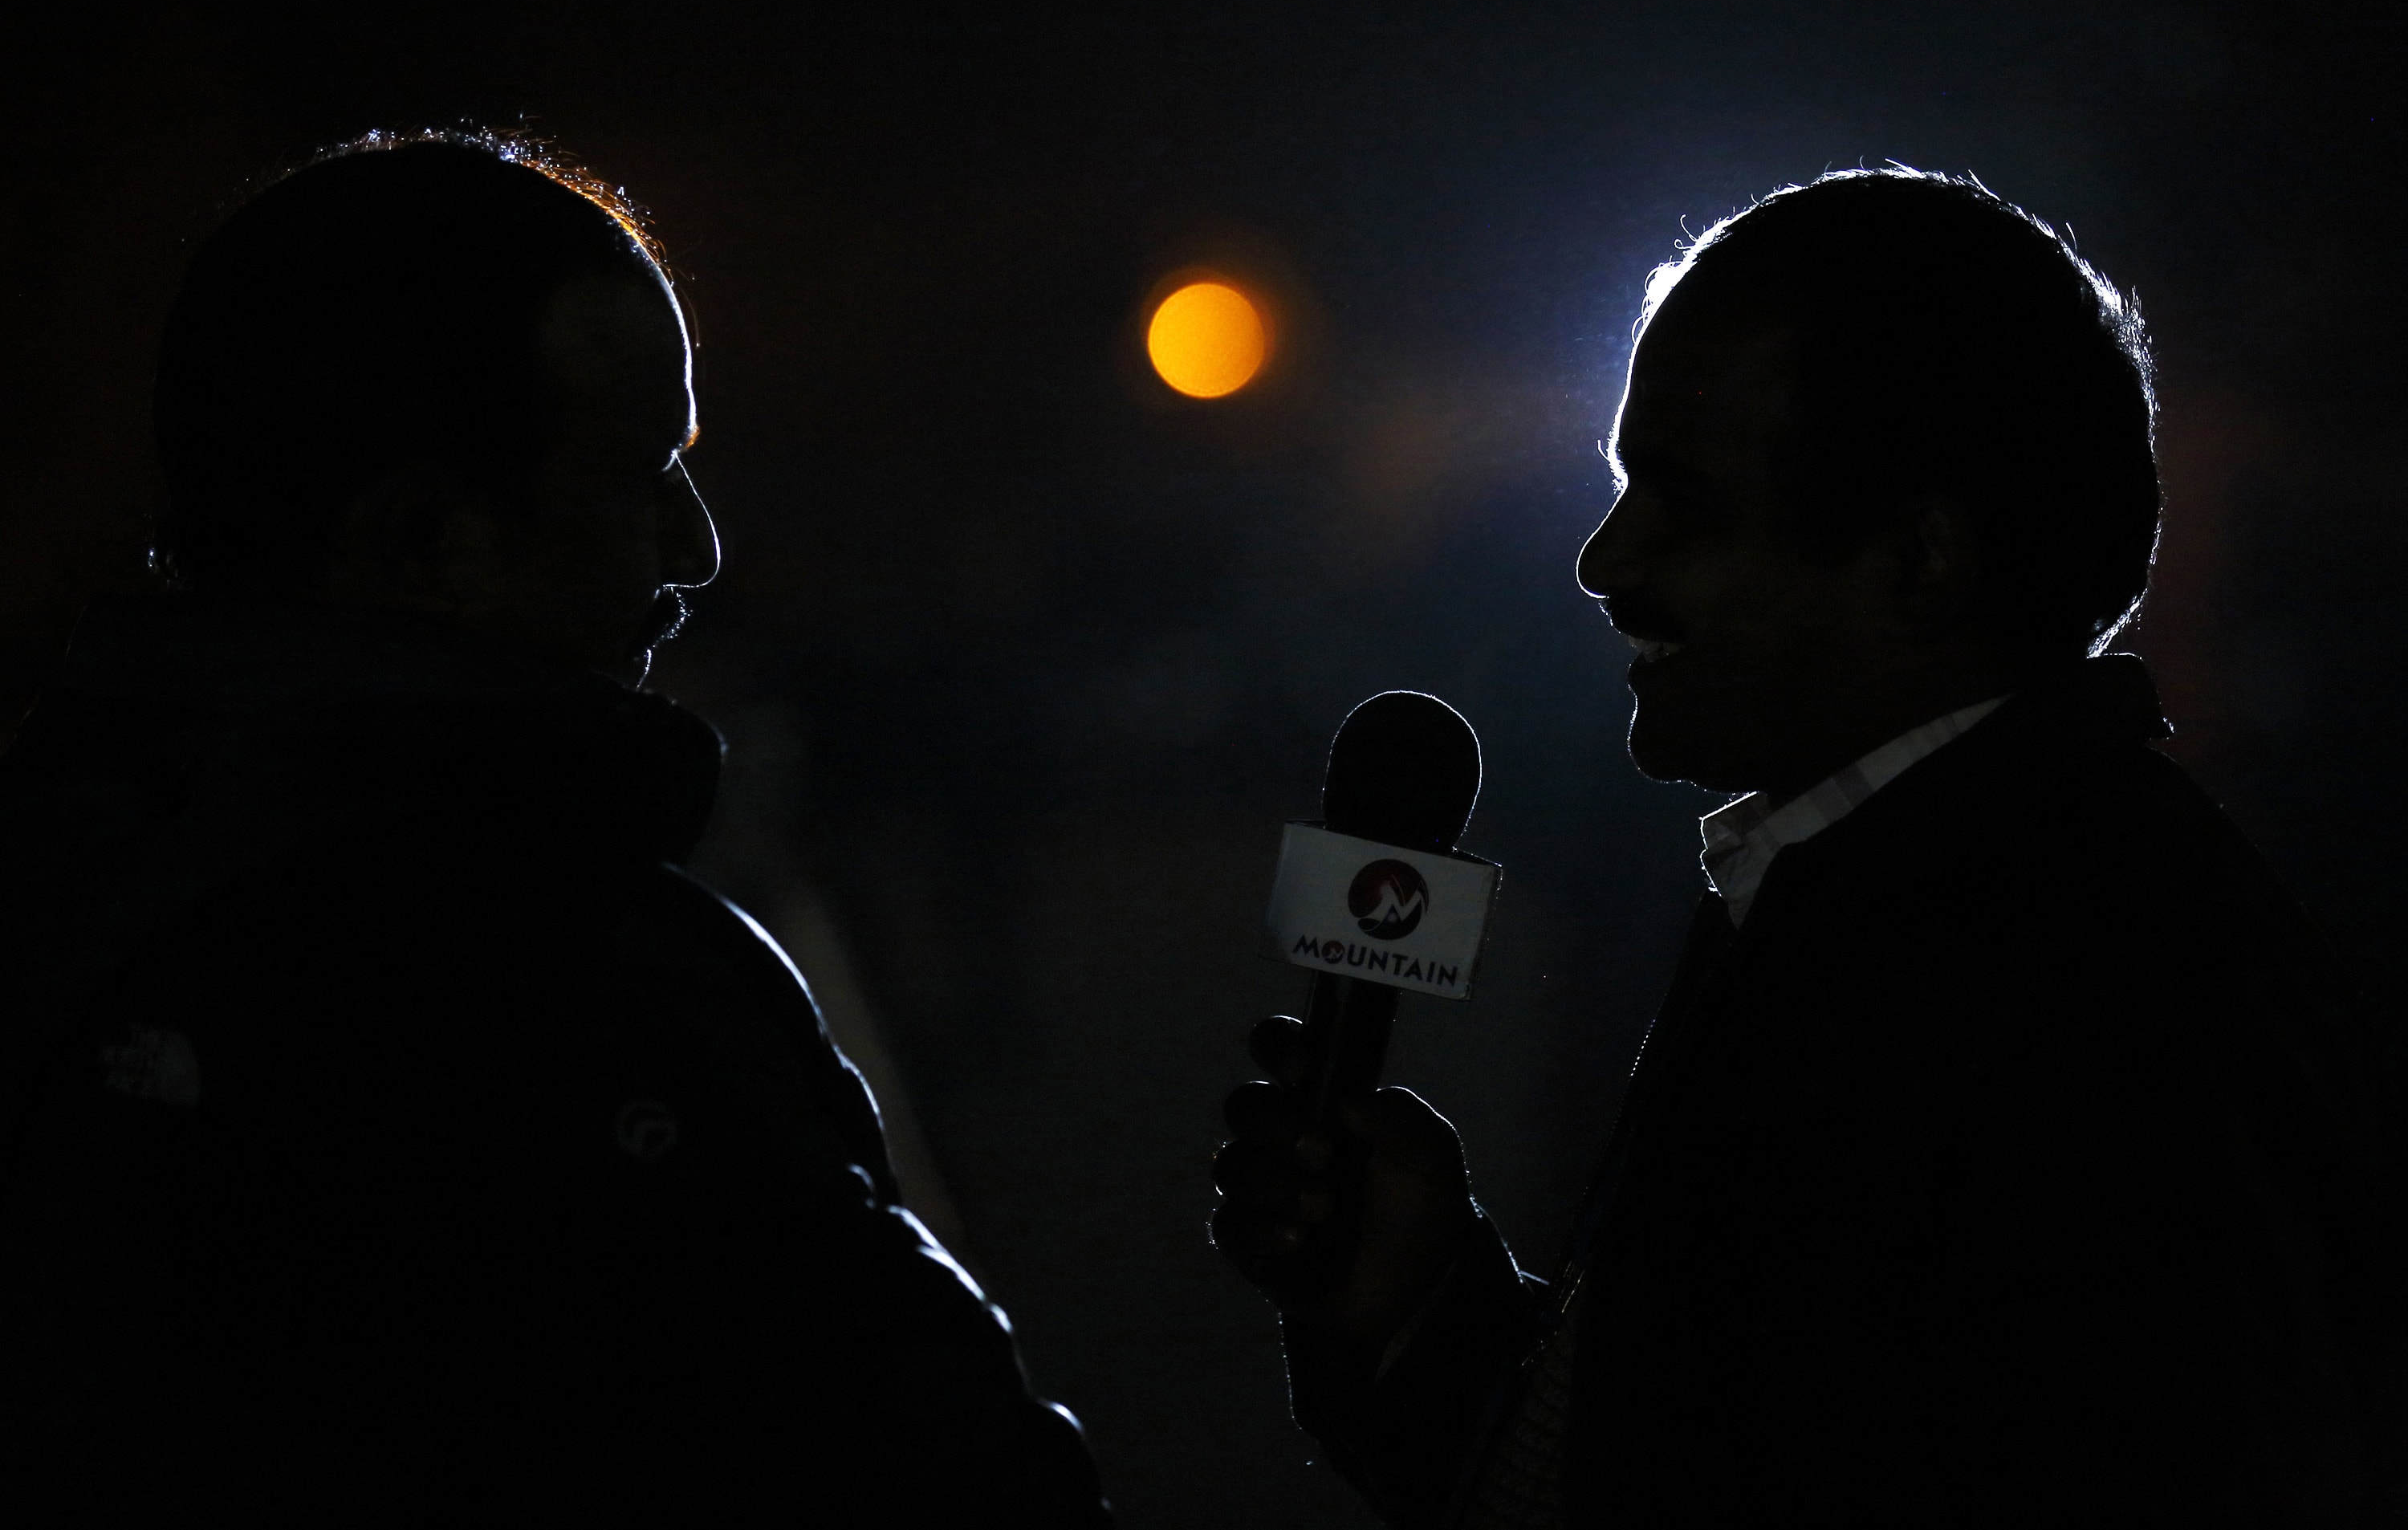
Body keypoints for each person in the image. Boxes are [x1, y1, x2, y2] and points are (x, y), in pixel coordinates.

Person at [1213, 168, 2392, 1524]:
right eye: (1622, 486)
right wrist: (1423, 1306)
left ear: (1920, 558)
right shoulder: (1891, 900)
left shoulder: (2094, 985)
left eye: (1688, 502)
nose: (1605, 560)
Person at [0, 134, 1108, 1524]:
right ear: (427, 536)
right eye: (638, 472)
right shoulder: (596, 991)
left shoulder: (53, 893)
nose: (694, 544)